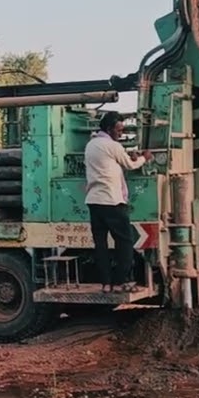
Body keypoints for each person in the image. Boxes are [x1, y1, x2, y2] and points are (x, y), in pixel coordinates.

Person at [84, 111, 149, 293]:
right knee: (125, 241)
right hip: (111, 201)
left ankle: (105, 284)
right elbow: (130, 165)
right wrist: (144, 157)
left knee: (101, 245)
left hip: (93, 201)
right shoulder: (112, 146)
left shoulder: (91, 145)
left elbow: (110, 162)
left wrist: (127, 155)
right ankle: (121, 282)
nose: (121, 133)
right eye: (119, 130)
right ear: (109, 128)